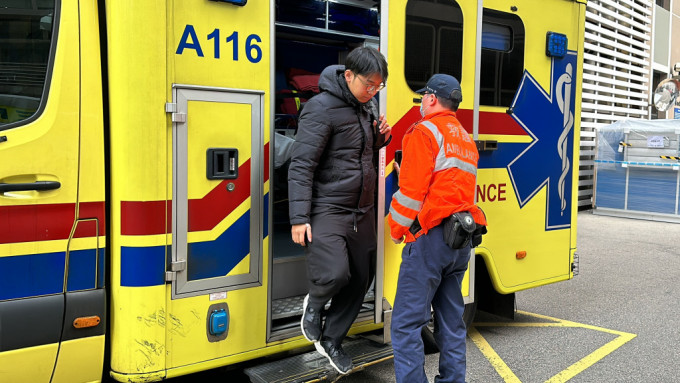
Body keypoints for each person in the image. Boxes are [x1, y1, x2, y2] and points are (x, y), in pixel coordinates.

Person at [287, 46, 391, 374]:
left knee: (363, 277)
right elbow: (301, 165)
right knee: (335, 273)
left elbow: (359, 152)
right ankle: (315, 304)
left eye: (379, 86)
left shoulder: (366, 107)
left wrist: (380, 139)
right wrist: (299, 218)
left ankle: (332, 339)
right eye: (369, 84)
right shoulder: (320, 108)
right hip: (329, 206)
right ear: (348, 76)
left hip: (362, 209)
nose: (373, 91)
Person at [387, 74, 487, 383]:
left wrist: (395, 229)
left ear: (431, 98)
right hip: (460, 240)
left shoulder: (424, 132)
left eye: (422, 98)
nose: (420, 103)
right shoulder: (465, 138)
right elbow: (451, 184)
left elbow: (411, 195)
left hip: (430, 239)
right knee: (451, 322)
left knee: (405, 325)